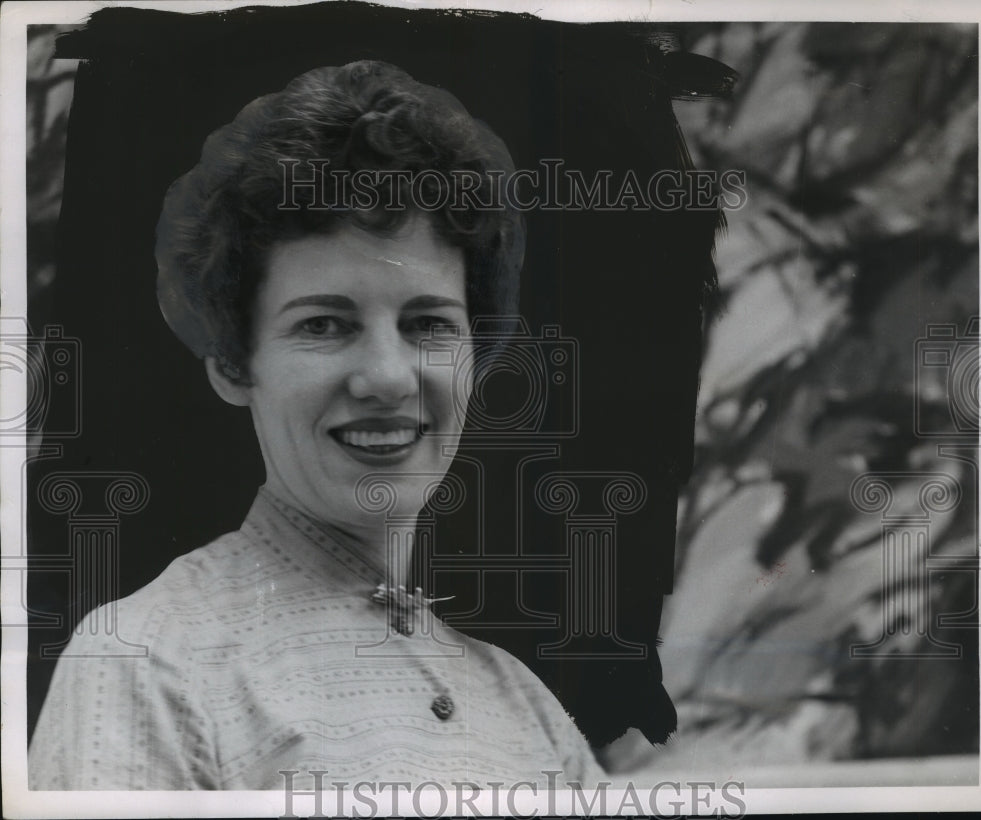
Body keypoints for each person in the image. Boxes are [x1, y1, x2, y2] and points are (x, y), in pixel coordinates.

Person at [28, 61, 604, 790]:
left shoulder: (525, 708)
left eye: (428, 323)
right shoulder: (147, 663)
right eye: (325, 324)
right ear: (235, 363)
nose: (388, 377)